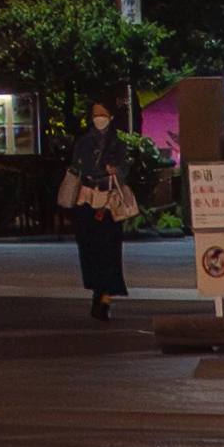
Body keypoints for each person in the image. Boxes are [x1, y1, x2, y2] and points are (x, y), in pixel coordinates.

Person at [57, 96, 139, 320]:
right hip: (86, 199)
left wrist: (114, 170)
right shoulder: (83, 142)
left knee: (108, 251)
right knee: (88, 248)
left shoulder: (118, 143)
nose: (98, 118)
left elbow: (124, 169)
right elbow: (76, 166)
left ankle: (104, 296)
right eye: (95, 114)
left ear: (111, 117)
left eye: (102, 113)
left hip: (109, 201)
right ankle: (97, 290)